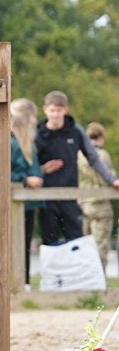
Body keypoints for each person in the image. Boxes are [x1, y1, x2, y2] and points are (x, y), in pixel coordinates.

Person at [35, 90, 119, 244]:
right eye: (52, 110)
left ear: (65, 110)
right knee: (49, 240)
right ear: (45, 109)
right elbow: (30, 164)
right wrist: (42, 169)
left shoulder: (75, 130)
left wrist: (112, 180)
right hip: (46, 197)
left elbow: (93, 158)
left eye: (58, 111)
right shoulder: (38, 133)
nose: (55, 115)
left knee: (76, 240)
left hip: (70, 195)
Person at [10, 98, 44, 289]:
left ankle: (26, 283)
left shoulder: (28, 142)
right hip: (14, 200)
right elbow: (2, 171)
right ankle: (18, 283)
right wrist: (25, 179)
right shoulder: (10, 142)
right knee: (15, 243)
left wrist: (41, 172)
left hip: (28, 202)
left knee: (25, 242)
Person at [77, 121, 116, 272]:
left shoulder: (78, 155)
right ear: (101, 137)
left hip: (82, 202)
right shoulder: (102, 155)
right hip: (100, 204)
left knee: (83, 244)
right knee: (100, 244)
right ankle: (99, 278)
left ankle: (84, 276)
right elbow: (106, 177)